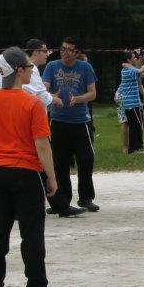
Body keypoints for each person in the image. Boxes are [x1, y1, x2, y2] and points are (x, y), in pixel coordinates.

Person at [0, 47, 59, 287]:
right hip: (26, 173)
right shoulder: (32, 103)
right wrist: (52, 177)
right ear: (19, 70)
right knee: (32, 233)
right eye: (29, 66)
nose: (32, 69)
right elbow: (42, 144)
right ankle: (36, 286)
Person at [42, 36, 99, 217]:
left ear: (77, 53)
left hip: (80, 121)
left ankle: (86, 197)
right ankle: (62, 201)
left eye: (69, 50)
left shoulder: (85, 67)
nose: (65, 53)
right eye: (62, 48)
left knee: (86, 159)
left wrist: (79, 99)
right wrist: (52, 96)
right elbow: (43, 88)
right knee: (60, 163)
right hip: (58, 121)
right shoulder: (52, 66)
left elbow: (92, 93)